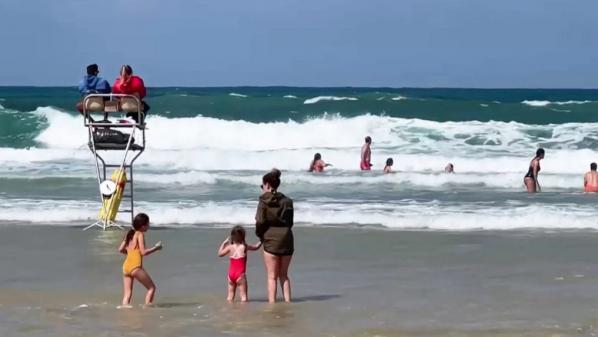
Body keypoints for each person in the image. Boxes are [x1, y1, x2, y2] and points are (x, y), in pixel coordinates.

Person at [255, 169, 294, 303]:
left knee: (272, 276)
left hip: (271, 239)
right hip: (287, 239)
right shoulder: (288, 201)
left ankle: (272, 304)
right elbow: (290, 222)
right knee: (284, 275)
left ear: (267, 184)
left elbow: (260, 221)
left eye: (262, 186)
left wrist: (260, 236)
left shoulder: (263, 201)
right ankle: (288, 302)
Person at [118, 213, 162, 307]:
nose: (149, 226)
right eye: (148, 224)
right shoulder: (140, 234)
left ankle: (125, 312)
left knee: (127, 294)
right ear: (142, 226)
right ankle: (147, 309)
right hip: (135, 267)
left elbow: (120, 249)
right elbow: (143, 252)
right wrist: (156, 248)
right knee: (151, 288)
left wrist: (130, 253)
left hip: (126, 267)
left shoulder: (129, 233)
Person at [218, 226, 262, 302]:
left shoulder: (230, 247)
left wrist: (224, 243)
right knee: (244, 298)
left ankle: (229, 312)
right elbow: (256, 247)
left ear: (232, 236)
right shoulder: (244, 247)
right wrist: (262, 240)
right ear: (243, 236)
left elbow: (220, 254)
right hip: (240, 275)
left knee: (230, 297)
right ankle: (243, 313)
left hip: (231, 275)